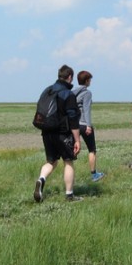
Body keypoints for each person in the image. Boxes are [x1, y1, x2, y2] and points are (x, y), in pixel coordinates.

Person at [34, 65, 83, 202]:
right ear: (70, 77)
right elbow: (73, 119)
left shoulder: (47, 90)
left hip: (46, 132)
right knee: (68, 161)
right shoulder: (68, 94)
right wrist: (77, 140)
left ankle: (41, 179)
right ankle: (69, 195)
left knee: (51, 161)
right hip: (62, 133)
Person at [73, 70, 104, 182]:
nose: (90, 81)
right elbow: (86, 110)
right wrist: (89, 126)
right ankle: (94, 175)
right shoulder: (87, 93)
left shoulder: (72, 93)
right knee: (92, 150)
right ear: (86, 81)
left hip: (73, 125)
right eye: (90, 79)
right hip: (83, 124)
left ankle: (70, 174)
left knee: (72, 150)